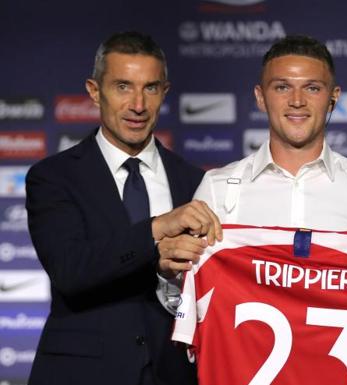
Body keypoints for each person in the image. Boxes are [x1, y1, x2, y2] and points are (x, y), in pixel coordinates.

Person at [157, 35, 347, 306]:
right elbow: (189, 303)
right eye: (282, 87)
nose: (297, 101)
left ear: (333, 97)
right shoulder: (217, 185)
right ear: (260, 97)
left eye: (312, 88)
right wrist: (170, 274)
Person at [26, 31, 219, 385]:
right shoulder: (53, 177)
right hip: (82, 375)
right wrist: (157, 228)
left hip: (173, 372)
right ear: (94, 91)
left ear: (165, 92)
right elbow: (71, 270)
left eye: (150, 88)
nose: (138, 105)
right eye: (123, 87)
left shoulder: (196, 181)